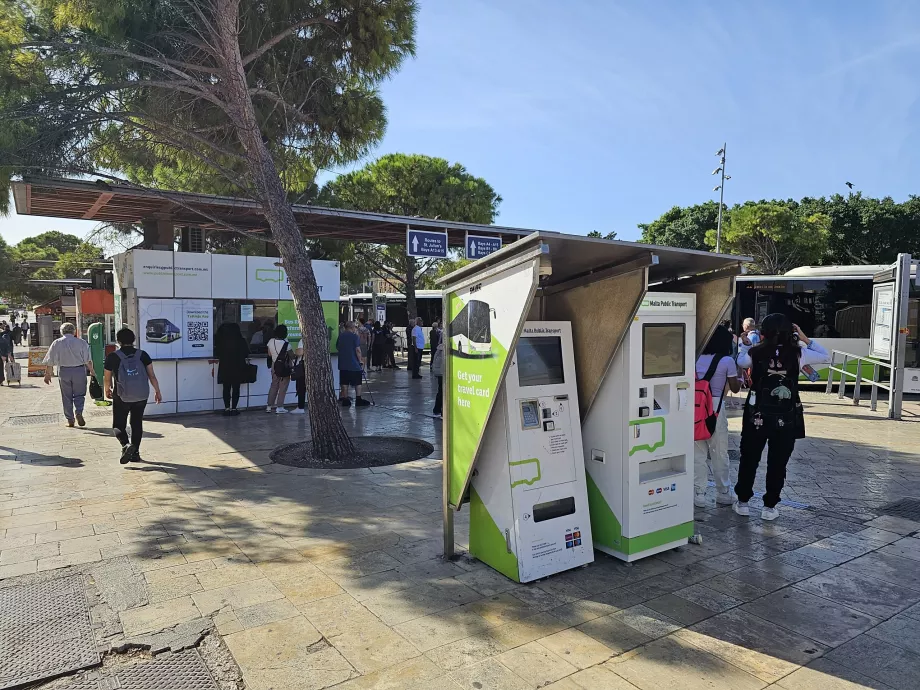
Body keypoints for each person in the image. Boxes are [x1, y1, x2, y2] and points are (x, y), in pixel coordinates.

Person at [734, 314, 829, 521]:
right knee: (778, 462)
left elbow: (741, 362)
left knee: (749, 457)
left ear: (763, 332)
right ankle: (769, 506)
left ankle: (743, 502)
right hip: (786, 416)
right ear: (790, 332)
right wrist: (804, 338)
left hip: (756, 413)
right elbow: (825, 355)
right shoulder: (799, 353)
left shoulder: (756, 352)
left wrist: (745, 345)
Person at [694, 326, 740, 508]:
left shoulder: (694, 359)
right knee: (719, 452)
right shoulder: (727, 361)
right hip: (715, 408)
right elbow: (735, 388)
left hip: (696, 407)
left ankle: (699, 494)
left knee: (698, 452)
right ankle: (723, 492)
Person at [104, 328, 162, 464]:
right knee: (136, 423)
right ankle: (135, 453)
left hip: (121, 395)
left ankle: (125, 445)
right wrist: (157, 391)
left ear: (118, 341)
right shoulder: (143, 355)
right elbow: (151, 375)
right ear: (133, 340)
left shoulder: (113, 356)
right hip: (141, 395)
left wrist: (107, 389)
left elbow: (107, 377)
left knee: (118, 424)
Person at [43, 323, 95, 427]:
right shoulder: (81, 342)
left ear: (62, 332)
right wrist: (92, 372)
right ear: (74, 331)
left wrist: (47, 374)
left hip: (64, 371)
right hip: (79, 370)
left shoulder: (56, 343)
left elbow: (50, 360)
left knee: (66, 396)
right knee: (80, 394)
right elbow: (88, 360)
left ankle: (70, 420)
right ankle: (79, 412)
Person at [215, 322, 249, 416]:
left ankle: (227, 408)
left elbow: (217, 353)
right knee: (236, 388)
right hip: (238, 367)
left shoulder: (221, 341)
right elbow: (246, 353)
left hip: (225, 367)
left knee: (226, 388)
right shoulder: (241, 340)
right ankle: (234, 408)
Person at [336, 321, 369, 407]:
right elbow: (357, 350)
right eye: (355, 327)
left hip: (343, 363)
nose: (355, 328)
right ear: (352, 327)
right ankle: (358, 399)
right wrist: (360, 360)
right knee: (358, 382)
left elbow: (337, 347)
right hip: (354, 363)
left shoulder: (341, 336)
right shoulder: (355, 337)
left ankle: (346, 399)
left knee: (344, 382)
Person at [266, 324, 291, 414]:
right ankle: (279, 407)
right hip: (284, 367)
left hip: (274, 365)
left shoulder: (271, 341)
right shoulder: (286, 343)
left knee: (274, 385)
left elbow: (269, 354)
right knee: (283, 387)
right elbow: (291, 355)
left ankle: (269, 406)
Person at [291, 342, 306, 414]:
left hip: (302, 366)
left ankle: (300, 407)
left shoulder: (303, 340)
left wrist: (296, 351)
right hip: (312, 366)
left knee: (301, 387)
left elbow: (300, 352)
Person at [432, 339, 444, 417]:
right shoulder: (444, 349)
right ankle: (440, 411)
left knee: (441, 391)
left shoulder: (439, 348)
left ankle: (437, 410)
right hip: (443, 373)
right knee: (442, 392)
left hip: (439, 372)